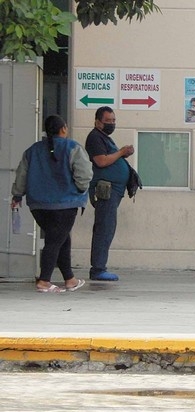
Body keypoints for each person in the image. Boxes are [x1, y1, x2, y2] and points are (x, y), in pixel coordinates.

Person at [11, 115, 92, 293]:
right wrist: (80, 190)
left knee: (61, 238)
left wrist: (17, 195)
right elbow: (84, 174)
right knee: (55, 241)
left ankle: (70, 279)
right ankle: (44, 281)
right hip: (65, 204)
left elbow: (21, 176)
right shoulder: (73, 147)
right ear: (63, 129)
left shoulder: (32, 150)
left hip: (38, 205)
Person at [85, 106, 135, 281]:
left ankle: (99, 266)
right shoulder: (94, 137)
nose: (112, 124)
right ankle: (98, 268)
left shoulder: (105, 138)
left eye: (113, 121)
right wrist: (121, 152)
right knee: (104, 228)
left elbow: (110, 158)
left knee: (108, 227)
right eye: (108, 121)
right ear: (98, 122)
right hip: (105, 190)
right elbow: (101, 161)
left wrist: (122, 156)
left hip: (114, 190)